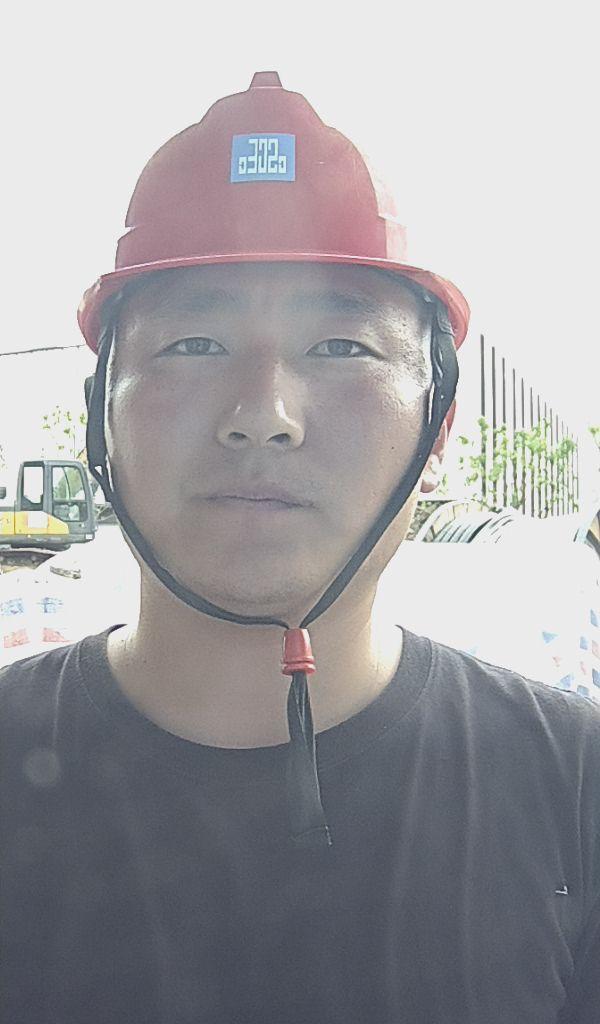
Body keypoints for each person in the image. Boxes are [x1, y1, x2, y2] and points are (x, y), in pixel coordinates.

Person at [1, 71, 598, 1024]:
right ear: (99, 415)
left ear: (439, 429)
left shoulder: (575, 789)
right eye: (194, 345)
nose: (263, 414)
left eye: (341, 349)